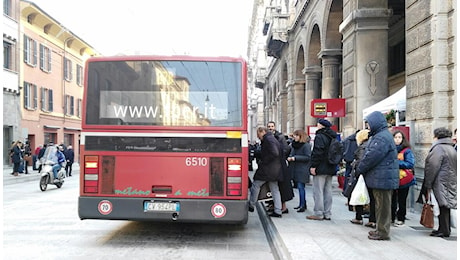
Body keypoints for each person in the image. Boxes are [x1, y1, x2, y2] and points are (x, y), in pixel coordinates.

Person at [356, 111, 399, 240]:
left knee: (383, 206)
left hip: (382, 177)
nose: (368, 126)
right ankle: (379, 229)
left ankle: (383, 232)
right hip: (381, 176)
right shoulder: (381, 135)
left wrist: (361, 168)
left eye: (369, 124)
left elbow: (372, 156)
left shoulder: (381, 137)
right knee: (380, 206)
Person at [423, 127, 457, 238]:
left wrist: (428, 183)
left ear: (436, 136)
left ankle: (444, 230)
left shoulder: (438, 148)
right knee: (445, 205)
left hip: (440, 181)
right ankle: (444, 229)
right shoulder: (451, 148)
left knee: (441, 205)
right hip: (449, 180)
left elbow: (432, 167)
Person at [306, 118, 338, 221]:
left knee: (318, 190)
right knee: (328, 190)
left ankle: (318, 213)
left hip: (321, 167)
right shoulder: (333, 136)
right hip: (331, 166)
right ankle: (327, 213)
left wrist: (313, 166)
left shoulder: (320, 136)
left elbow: (317, 152)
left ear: (321, 125)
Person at [248, 126, 283, 218]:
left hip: (267, 169)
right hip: (275, 169)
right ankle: (278, 210)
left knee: (256, 185)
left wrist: (264, 161)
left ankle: (251, 204)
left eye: (258, 134)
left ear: (262, 132)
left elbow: (274, 153)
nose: (258, 136)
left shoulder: (268, 140)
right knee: (275, 189)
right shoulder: (272, 139)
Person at [267, 121, 293, 214]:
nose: (270, 128)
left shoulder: (280, 136)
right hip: (273, 165)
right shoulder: (267, 136)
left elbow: (286, 149)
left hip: (279, 165)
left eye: (272, 126)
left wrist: (280, 157)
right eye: (269, 126)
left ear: (274, 127)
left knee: (281, 186)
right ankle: (274, 204)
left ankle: (281, 206)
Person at [391, 130, 415, 226]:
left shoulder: (407, 150)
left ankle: (401, 217)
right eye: (395, 137)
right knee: (392, 199)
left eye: (399, 137)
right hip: (392, 177)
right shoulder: (390, 149)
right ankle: (391, 217)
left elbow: (410, 163)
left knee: (402, 199)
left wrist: (396, 163)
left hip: (404, 179)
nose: (397, 139)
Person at [287, 130, 311, 212]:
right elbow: (291, 153)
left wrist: (295, 158)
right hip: (294, 168)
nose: (295, 137)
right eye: (294, 136)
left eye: (296, 136)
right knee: (298, 187)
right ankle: (301, 204)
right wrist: (290, 157)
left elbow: (308, 157)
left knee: (301, 187)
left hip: (302, 169)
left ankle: (302, 205)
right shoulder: (293, 145)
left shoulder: (306, 145)